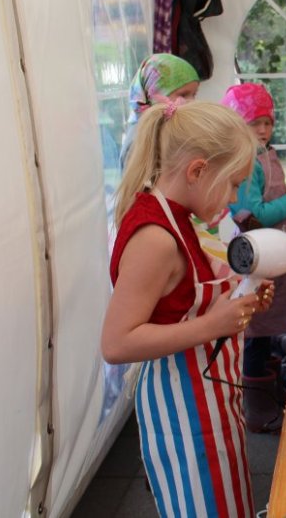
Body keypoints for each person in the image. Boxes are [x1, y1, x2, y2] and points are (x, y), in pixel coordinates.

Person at [102, 100, 274, 517]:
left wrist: (241, 297)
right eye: (232, 185)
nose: (233, 199)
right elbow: (116, 343)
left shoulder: (181, 218)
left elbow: (183, 296)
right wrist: (213, 324)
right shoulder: (155, 237)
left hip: (209, 399)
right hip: (183, 410)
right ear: (197, 171)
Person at [221, 82, 286, 432]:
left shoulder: (264, 154)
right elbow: (252, 216)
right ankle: (258, 410)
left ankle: (272, 395)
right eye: (253, 123)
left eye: (267, 123)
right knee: (256, 332)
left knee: (270, 329)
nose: (262, 130)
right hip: (258, 258)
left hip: (274, 254)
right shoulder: (245, 162)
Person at [119, 53, 200, 169]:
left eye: (194, 94)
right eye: (183, 95)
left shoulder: (168, 126)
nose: (191, 102)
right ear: (152, 94)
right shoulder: (138, 141)